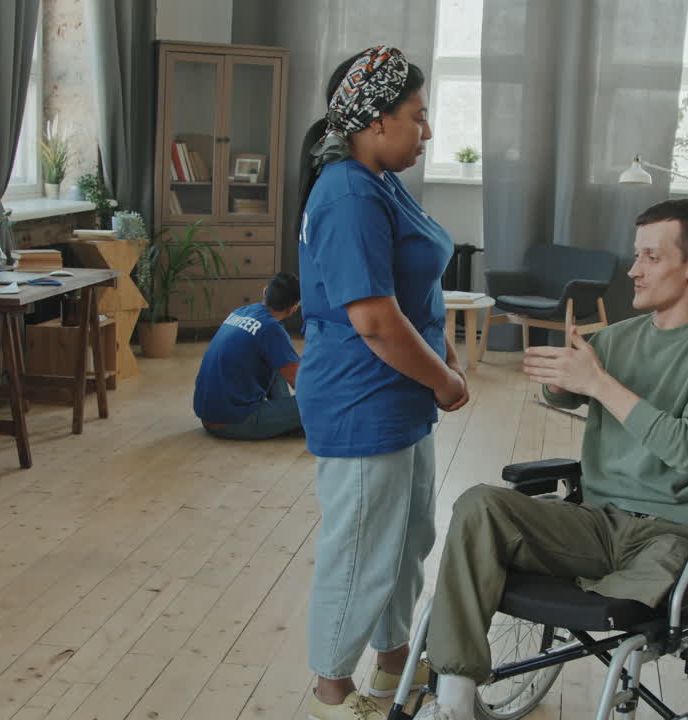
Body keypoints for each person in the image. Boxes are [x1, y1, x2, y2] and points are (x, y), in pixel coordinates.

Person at [415, 199, 688, 720]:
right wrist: (562, 384)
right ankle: (454, 703)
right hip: (598, 524)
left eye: (650, 256)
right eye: (636, 255)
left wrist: (599, 384)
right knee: (479, 504)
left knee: (617, 599)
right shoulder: (621, 337)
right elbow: (571, 394)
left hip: (677, 535)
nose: (633, 270)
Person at [297, 45, 469, 720]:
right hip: (363, 397)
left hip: (399, 394)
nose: (426, 132)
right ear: (374, 122)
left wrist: (441, 360)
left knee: (405, 540)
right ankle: (330, 694)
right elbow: (372, 317)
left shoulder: (378, 181)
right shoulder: (344, 193)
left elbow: (408, 284)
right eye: (417, 117)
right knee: (362, 550)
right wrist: (448, 384)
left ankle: (391, 669)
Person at [192, 272, 302, 440]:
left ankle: (286, 421)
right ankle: (289, 422)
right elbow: (301, 384)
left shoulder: (241, 311)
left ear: (265, 292)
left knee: (280, 360)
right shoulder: (272, 330)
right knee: (320, 401)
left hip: (208, 416)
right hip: (236, 421)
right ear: (294, 307)